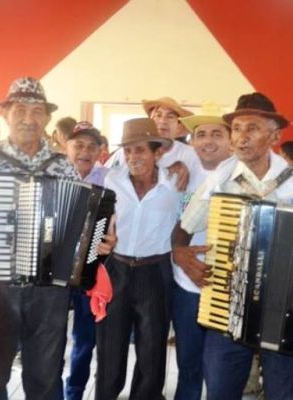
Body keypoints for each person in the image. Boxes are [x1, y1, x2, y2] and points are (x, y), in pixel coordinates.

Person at [175, 92, 293, 400]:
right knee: (220, 392)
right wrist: (180, 253)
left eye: (252, 128)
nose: (241, 137)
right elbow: (184, 228)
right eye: (236, 129)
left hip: (287, 309)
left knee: (285, 395)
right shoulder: (221, 179)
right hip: (227, 306)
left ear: (275, 136)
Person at [0, 76, 98, 400]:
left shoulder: (62, 165)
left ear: (47, 118)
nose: (28, 118)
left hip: (49, 290)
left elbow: (84, 221)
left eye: (37, 111)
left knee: (45, 376)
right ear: (5, 114)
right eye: (20, 110)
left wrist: (96, 240)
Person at [95, 118, 180, 400]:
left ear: (158, 152)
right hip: (116, 269)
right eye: (128, 150)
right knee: (109, 348)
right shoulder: (111, 180)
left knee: (152, 351)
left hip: (155, 272)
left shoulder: (175, 184)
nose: (133, 157)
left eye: (140, 150)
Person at [170, 107, 232, 400]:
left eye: (217, 134)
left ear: (230, 140)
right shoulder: (181, 171)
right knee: (188, 364)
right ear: (192, 141)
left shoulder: (239, 174)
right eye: (201, 134)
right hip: (185, 285)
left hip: (226, 287)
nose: (208, 141)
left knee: (222, 370)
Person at [63, 121, 109, 400]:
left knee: (84, 338)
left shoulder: (109, 178)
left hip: (88, 270)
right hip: (52, 272)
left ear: (100, 150)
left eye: (92, 146)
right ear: (65, 147)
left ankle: (75, 392)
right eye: (78, 145)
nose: (85, 151)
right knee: (52, 337)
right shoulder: (54, 175)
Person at [105, 96, 201, 191]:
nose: (163, 121)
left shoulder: (191, 156)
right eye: (158, 115)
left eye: (170, 117)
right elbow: (101, 177)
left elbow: (201, 190)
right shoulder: (127, 152)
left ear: (178, 125)